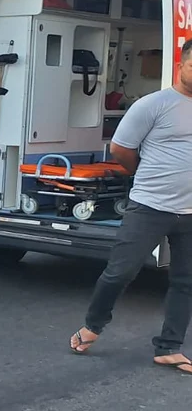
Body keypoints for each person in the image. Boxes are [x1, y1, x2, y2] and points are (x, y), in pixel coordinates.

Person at [69, 40, 192, 375]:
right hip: (150, 206)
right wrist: (147, 173)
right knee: (121, 271)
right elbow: (121, 150)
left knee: (186, 281)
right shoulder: (154, 105)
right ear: (181, 64)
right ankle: (93, 325)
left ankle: (169, 347)